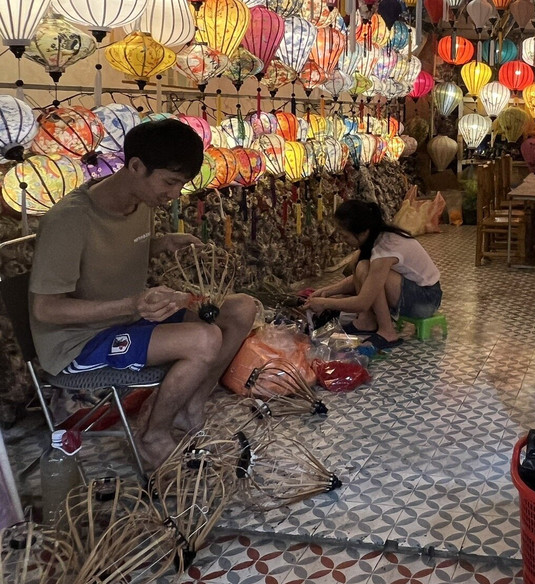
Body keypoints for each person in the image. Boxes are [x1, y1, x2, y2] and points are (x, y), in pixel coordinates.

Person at [29, 119, 257, 470]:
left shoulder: (141, 203)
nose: (175, 194)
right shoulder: (69, 221)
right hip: (79, 341)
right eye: (170, 182)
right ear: (135, 166)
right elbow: (46, 309)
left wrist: (161, 244)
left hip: (130, 318)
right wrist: (131, 303)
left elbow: (110, 252)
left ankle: (190, 405)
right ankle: (153, 436)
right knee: (204, 339)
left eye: (181, 184)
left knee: (241, 308)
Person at [304, 200, 442, 352]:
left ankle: (388, 332)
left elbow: (363, 301)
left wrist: (325, 303)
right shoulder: (377, 238)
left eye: (345, 236)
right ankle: (366, 321)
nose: (343, 240)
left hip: (426, 300)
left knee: (368, 270)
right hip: (415, 293)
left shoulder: (385, 248)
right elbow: (362, 280)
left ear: (363, 232)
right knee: (361, 265)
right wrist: (327, 291)